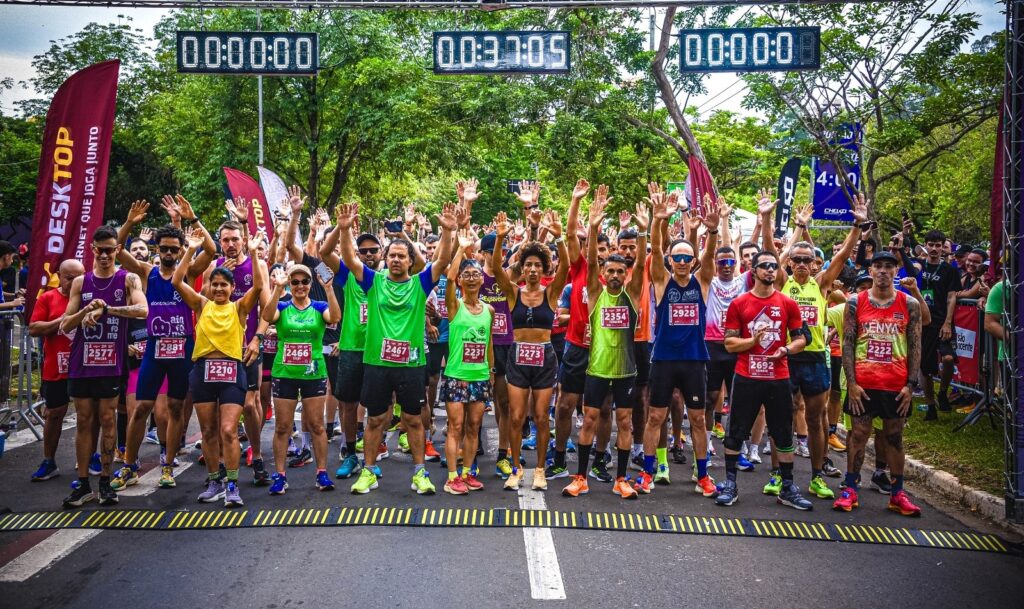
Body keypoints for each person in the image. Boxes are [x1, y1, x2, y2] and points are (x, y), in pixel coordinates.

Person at [335, 201, 460, 495]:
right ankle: (367, 472)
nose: (395, 260)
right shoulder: (373, 282)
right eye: (391, 255)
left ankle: (419, 473)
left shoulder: (419, 284)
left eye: (401, 256)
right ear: (385, 259)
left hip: (411, 365)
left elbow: (441, 262)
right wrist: (343, 230)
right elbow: (349, 260)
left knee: (413, 419)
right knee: (375, 418)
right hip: (377, 364)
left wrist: (447, 231)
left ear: (409, 260)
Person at [111, 197, 215, 491]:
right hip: (155, 351)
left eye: (174, 249)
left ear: (181, 250)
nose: (169, 253)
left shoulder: (190, 271)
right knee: (141, 407)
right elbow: (118, 252)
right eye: (164, 249)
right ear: (157, 250)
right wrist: (130, 223)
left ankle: (168, 465)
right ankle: (129, 465)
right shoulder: (147, 272)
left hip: (183, 350)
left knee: (175, 409)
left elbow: (210, 249)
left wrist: (193, 218)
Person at [773, 195, 868, 501]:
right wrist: (798, 229)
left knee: (816, 420)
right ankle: (779, 475)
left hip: (814, 358)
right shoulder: (781, 282)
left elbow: (841, 255)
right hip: (786, 357)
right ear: (790, 263)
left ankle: (815, 476)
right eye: (796, 259)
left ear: (814, 263)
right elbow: (771, 254)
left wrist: (857, 224)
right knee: (783, 417)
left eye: (807, 260)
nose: (801, 264)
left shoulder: (823, 283)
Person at [562, 185, 647, 500]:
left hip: (625, 370)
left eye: (618, 271)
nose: (613, 274)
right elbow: (590, 262)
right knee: (590, 420)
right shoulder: (595, 293)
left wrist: (642, 231)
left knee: (624, 421)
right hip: (596, 368)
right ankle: (581, 477)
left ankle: (622, 478)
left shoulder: (632, 294)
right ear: (603, 274)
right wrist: (594, 226)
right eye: (608, 270)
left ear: (625, 274)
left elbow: (640, 264)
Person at [637, 187, 720, 497]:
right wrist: (658, 222)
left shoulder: (702, 282)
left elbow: (709, 257)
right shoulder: (662, 282)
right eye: (678, 257)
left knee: (697, 419)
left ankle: (702, 475)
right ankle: (647, 472)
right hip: (664, 359)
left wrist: (711, 231)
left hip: (694, 360)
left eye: (687, 257)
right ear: (671, 261)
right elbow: (655, 252)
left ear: (692, 260)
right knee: (655, 416)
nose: (683, 261)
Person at [173, 226, 263, 507]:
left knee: (227, 430)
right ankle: (215, 480)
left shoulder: (239, 308)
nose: (220, 288)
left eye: (225, 285)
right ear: (209, 287)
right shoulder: (201, 304)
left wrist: (254, 254)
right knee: (208, 431)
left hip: (231, 372)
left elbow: (259, 287)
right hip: (203, 372)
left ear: (233, 288)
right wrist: (189, 249)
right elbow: (177, 281)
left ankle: (233, 484)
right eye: (216, 284)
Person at [59, 226, 149, 508]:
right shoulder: (80, 283)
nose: (106, 255)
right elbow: (64, 324)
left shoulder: (127, 279)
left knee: (108, 419)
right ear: (92, 250)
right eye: (101, 250)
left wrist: (107, 309)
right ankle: (84, 482)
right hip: (82, 363)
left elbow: (143, 310)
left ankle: (105, 482)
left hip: (112, 362)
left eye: (111, 250)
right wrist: (86, 311)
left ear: (117, 250)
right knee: (84, 421)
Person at [715, 250, 812, 510]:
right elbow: (729, 343)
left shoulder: (787, 303)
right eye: (764, 266)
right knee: (736, 431)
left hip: (778, 376)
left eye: (774, 266)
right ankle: (730, 483)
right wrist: (752, 342)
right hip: (747, 376)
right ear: (754, 270)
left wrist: (787, 349)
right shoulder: (740, 303)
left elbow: (803, 338)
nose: (770, 270)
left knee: (782, 432)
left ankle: (788, 486)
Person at [833, 251, 923, 516]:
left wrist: (911, 385)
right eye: (878, 266)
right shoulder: (855, 302)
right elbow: (847, 343)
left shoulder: (909, 305)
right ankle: (850, 488)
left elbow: (916, 344)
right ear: (870, 270)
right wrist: (851, 383)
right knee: (859, 433)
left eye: (889, 267)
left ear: (896, 272)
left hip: (895, 383)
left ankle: (897, 493)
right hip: (864, 381)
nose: (883, 271)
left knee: (894, 436)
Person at [491, 205, 568, 490]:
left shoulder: (551, 293)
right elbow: (498, 270)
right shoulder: (513, 293)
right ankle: (515, 468)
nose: (533, 269)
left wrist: (559, 238)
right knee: (515, 415)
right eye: (528, 265)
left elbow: (567, 269)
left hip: (545, 357)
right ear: (522, 269)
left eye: (538, 265)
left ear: (544, 268)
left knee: (540, 416)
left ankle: (539, 469)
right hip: (518, 357)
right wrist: (500, 239)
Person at [263, 264, 341, 495]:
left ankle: (322, 472)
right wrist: (278, 288)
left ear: (310, 284)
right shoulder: (283, 306)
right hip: (285, 373)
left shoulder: (319, 307)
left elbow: (335, 317)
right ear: (290, 284)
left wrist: (328, 288)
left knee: (317, 425)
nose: (299, 286)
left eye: (304, 282)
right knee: (283, 427)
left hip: (313, 373)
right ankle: (280, 476)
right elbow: (267, 316)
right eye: (294, 282)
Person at [321, 224, 384, 479]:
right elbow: (325, 253)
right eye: (363, 251)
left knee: (379, 407)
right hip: (350, 349)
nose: (368, 254)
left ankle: (372, 455)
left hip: (379, 351)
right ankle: (349, 454)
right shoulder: (347, 274)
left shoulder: (390, 277)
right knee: (348, 405)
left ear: (382, 253)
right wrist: (341, 227)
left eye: (373, 250)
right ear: (356, 254)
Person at [216, 202, 272, 480]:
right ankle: (224, 461)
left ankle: (258, 455)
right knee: (223, 407)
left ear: (242, 241)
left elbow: (267, 309)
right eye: (225, 240)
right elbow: (202, 306)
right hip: (219, 350)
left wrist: (258, 338)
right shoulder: (213, 268)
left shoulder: (256, 264)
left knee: (250, 404)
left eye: (234, 239)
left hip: (248, 346)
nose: (230, 244)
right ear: (220, 243)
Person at [440, 236, 495, 495]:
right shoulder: (455, 305)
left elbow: (490, 345)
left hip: (480, 376)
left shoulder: (488, 311)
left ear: (482, 279)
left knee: (474, 427)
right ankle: (452, 477)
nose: (472, 277)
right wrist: (460, 250)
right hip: (456, 376)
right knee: (456, 426)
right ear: (461, 280)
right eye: (467, 274)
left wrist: (491, 373)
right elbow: (448, 279)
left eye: (476, 274)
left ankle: (467, 472)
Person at [28, 259, 85, 481]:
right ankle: (49, 461)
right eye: (69, 277)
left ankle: (89, 457)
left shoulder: (88, 297)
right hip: (56, 367)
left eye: (79, 276)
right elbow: (34, 328)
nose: (74, 281)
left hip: (84, 365)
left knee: (88, 414)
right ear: (59, 276)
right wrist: (62, 322)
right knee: (54, 414)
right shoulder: (48, 298)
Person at [916, 229, 961, 419]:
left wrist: (948, 323)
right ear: (926, 245)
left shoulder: (950, 270)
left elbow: (952, 297)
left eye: (938, 246)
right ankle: (930, 406)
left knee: (948, 358)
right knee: (925, 368)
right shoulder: (918, 267)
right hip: (923, 323)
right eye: (931, 245)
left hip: (942, 321)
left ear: (944, 248)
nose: (934, 249)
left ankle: (943, 391)